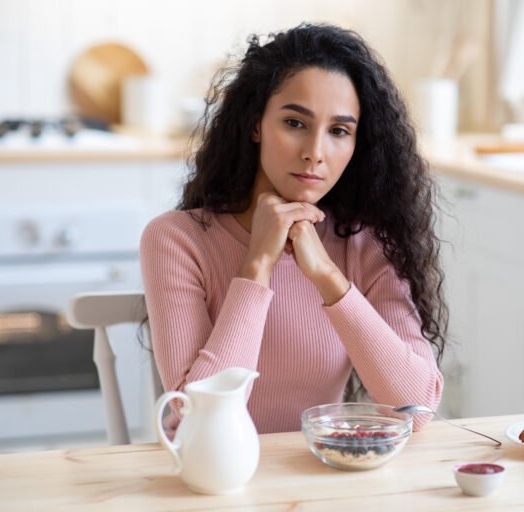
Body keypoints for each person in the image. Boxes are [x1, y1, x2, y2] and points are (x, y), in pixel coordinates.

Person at [140, 23, 448, 435]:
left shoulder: (364, 244)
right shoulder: (177, 240)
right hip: (211, 484)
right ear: (255, 124)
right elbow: (198, 417)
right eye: (295, 123)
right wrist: (258, 264)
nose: (315, 153)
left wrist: (326, 276)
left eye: (339, 131)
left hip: (322, 478)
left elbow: (417, 408)